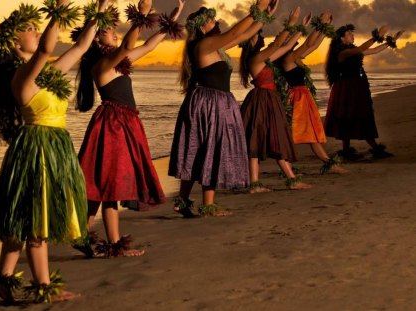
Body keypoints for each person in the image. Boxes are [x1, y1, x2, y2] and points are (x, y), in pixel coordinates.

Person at [0, 0, 111, 303]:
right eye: (28, 28)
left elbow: (80, 48)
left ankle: (3, 279)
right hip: (36, 151)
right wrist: (58, 11)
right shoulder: (21, 77)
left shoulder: (48, 75)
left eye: (36, 26)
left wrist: (99, 9)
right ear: (14, 41)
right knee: (36, 218)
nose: (35, 30)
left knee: (20, 218)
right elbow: (43, 51)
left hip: (55, 147)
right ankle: (43, 287)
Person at [75, 0, 184, 257]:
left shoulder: (117, 63)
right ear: (97, 40)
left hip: (124, 124)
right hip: (113, 126)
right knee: (108, 186)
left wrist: (170, 21)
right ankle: (113, 245)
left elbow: (147, 45)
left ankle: (82, 234)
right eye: (108, 30)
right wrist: (143, 14)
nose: (114, 32)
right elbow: (127, 44)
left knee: (103, 186)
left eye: (114, 29)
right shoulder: (101, 65)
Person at [168, 0, 273, 217]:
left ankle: (183, 200)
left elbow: (241, 36)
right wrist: (258, 8)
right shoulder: (204, 46)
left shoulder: (214, 46)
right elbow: (234, 32)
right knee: (210, 148)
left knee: (199, 149)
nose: (215, 22)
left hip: (209, 101)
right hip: (210, 103)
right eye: (210, 20)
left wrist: (262, 16)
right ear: (201, 27)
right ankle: (208, 205)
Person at [239, 7, 313, 193]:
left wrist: (300, 28)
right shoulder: (256, 58)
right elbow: (278, 43)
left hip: (269, 100)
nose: (261, 37)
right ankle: (279, 181)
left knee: (269, 139)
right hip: (262, 101)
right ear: (251, 40)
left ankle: (264, 182)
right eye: (257, 34)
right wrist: (291, 22)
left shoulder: (262, 58)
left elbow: (286, 47)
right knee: (259, 140)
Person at [278, 12, 347, 174]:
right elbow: (308, 42)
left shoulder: (296, 58)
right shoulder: (287, 59)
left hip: (303, 97)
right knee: (305, 133)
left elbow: (313, 46)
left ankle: (325, 163)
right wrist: (320, 25)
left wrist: (324, 29)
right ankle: (327, 163)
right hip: (297, 98)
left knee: (309, 132)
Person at [324, 23, 404, 160]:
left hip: (357, 87)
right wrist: (377, 36)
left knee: (359, 115)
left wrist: (391, 42)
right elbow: (362, 48)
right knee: (351, 116)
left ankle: (355, 149)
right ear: (342, 39)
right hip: (347, 89)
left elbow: (373, 50)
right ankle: (371, 148)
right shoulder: (342, 52)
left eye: (352, 33)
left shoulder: (353, 49)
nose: (352, 35)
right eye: (349, 34)